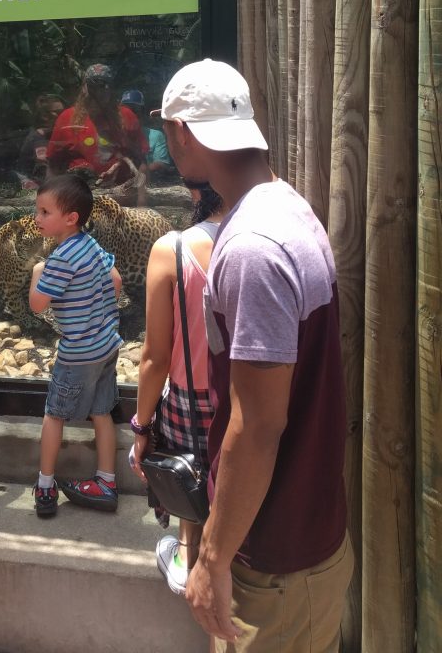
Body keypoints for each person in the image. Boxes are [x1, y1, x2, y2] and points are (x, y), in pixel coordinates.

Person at [157, 59, 352, 652]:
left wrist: (212, 558)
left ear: (182, 133)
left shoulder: (250, 249)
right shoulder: (285, 205)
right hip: (300, 537)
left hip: (275, 562)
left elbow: (258, 424)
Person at [129, 184, 225, 595]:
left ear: (194, 194)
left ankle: (187, 558)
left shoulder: (174, 249)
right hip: (250, 398)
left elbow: (155, 357)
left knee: (192, 478)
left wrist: (141, 426)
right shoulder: (266, 239)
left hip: (192, 400)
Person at [29, 174, 123, 516]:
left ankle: (45, 485)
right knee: (101, 413)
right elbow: (115, 280)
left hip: (78, 355)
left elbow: (37, 304)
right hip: (106, 345)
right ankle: (107, 481)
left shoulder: (60, 259)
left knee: (54, 415)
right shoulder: (89, 244)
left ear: (70, 218)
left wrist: (37, 271)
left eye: (44, 212)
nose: (37, 218)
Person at [46, 64, 147, 201]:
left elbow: (141, 161)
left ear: (111, 89)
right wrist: (51, 200)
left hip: (122, 197)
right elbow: (53, 165)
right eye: (94, 85)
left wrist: (142, 203)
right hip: (78, 197)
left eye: (104, 85)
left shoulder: (126, 116)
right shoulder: (67, 118)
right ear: (84, 88)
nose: (99, 91)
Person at [120, 88, 176, 181]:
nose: (130, 114)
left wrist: (138, 173)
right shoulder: (112, 136)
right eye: (126, 110)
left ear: (142, 113)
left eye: (134, 110)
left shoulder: (156, 135)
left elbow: (162, 163)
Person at [16, 93, 65, 187]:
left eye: (64, 111)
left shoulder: (51, 133)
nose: (63, 114)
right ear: (44, 115)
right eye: (58, 112)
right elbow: (44, 170)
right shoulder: (39, 138)